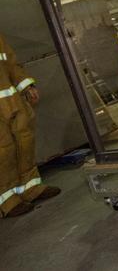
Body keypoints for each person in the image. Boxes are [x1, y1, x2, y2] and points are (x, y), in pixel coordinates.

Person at [0, 33, 60, 218]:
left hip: (11, 101)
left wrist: (26, 85)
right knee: (4, 149)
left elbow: (11, 63)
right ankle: (7, 200)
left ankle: (31, 188)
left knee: (24, 140)